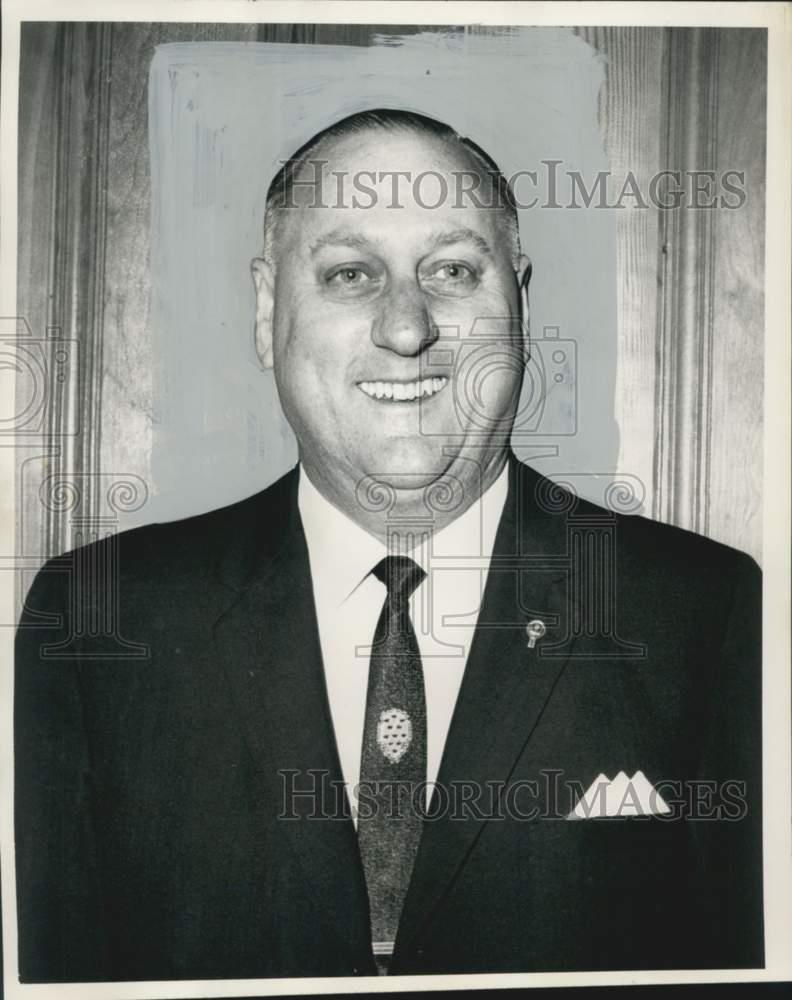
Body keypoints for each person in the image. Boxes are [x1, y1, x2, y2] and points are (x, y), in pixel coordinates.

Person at [15, 109, 763, 981]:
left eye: (452, 270)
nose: (407, 328)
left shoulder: (706, 612)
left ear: (517, 297)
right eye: (349, 273)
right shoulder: (96, 619)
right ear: (266, 312)